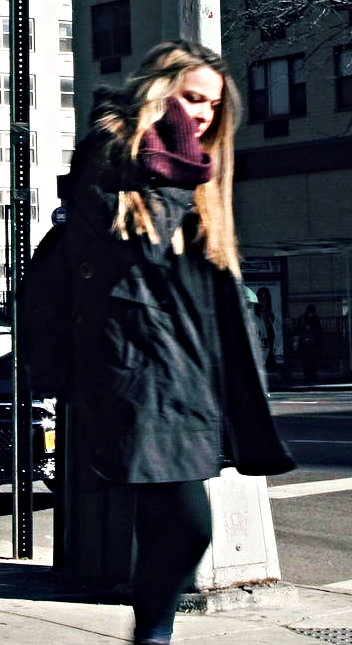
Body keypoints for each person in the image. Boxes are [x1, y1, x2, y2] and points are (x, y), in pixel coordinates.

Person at [60, 40, 294, 644]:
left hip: (190, 370)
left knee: (170, 523)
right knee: (188, 525)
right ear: (158, 93)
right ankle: (154, 637)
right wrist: (169, 163)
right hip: (139, 369)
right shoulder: (109, 158)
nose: (204, 116)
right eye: (192, 99)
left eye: (213, 106)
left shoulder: (198, 174)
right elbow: (125, 249)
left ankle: (154, 633)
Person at [298, 304, 322, 382]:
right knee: (312, 361)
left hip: (306, 343)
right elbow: (319, 330)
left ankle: (308, 376)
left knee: (307, 361)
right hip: (313, 343)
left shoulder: (302, 319)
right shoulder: (316, 319)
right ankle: (312, 376)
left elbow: (298, 329)